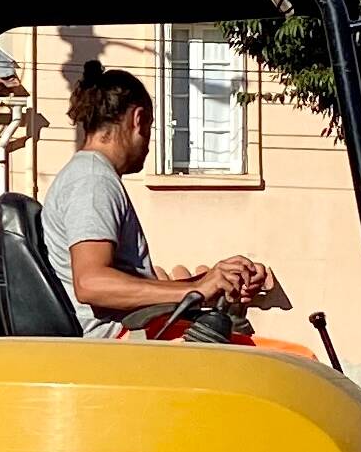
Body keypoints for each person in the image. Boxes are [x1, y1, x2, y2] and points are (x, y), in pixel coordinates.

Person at [40, 64, 282, 338]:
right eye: (151, 127)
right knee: (292, 361)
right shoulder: (93, 182)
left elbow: (138, 289)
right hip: (118, 344)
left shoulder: (91, 176)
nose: (148, 143)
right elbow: (91, 283)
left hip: (135, 333)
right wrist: (198, 289)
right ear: (138, 120)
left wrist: (214, 280)